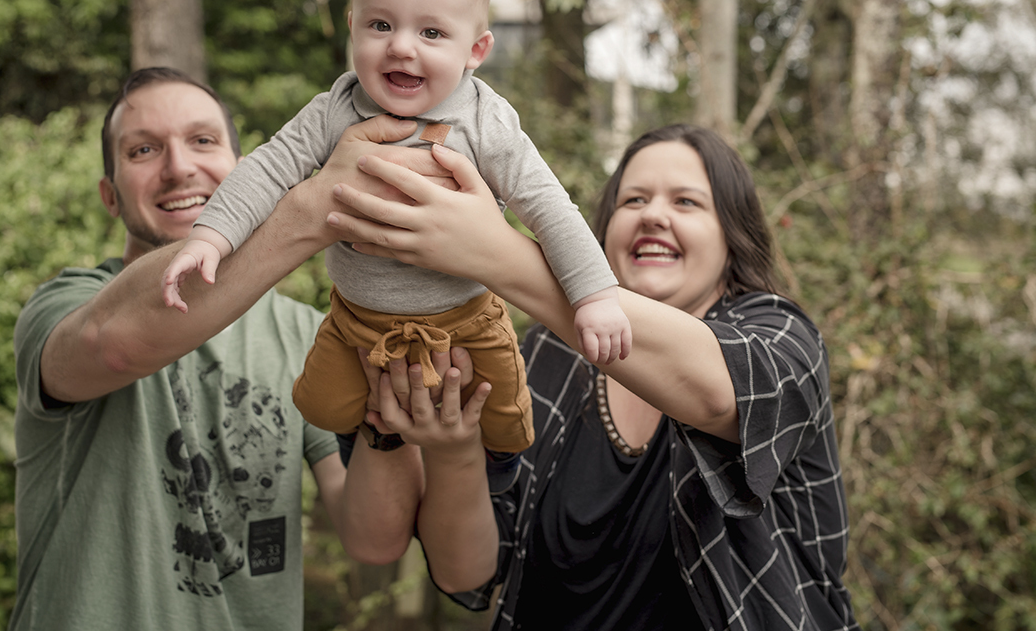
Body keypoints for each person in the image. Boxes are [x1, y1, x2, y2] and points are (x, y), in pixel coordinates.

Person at [325, 124, 862, 630]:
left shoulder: (783, 336)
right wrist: (453, 450)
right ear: (600, 231)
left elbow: (721, 397)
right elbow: (464, 575)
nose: (653, 215)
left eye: (686, 202)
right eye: (633, 200)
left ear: (732, 237)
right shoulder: (545, 356)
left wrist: (494, 251)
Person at [9, 67, 460, 630]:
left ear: (245, 171)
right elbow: (116, 346)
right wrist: (318, 206)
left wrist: (387, 422)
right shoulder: (63, 309)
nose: (179, 167)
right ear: (109, 194)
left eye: (203, 140)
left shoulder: (309, 334)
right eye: (144, 150)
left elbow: (375, 539)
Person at [161, 0, 630, 456]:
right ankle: (388, 434)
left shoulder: (484, 120)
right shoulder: (335, 108)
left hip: (466, 319)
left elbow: (548, 205)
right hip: (358, 320)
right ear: (353, 27)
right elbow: (267, 168)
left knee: (508, 431)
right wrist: (210, 237)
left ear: (475, 50)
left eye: (431, 33)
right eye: (380, 24)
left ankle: (486, 478)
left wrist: (595, 296)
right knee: (321, 408)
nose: (401, 46)